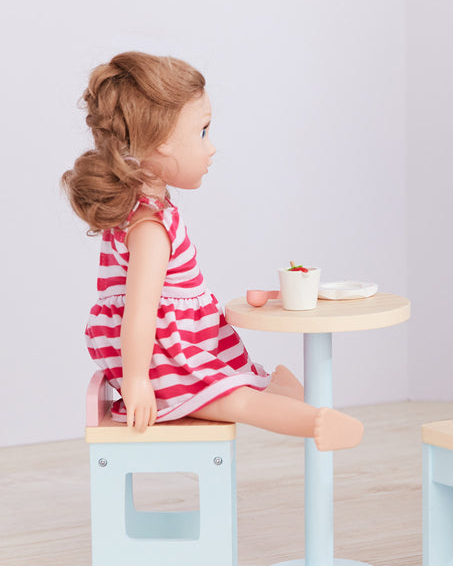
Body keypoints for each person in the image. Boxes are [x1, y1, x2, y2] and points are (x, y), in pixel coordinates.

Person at [63, 51, 363, 451]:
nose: (212, 148)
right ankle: (318, 423)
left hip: (178, 349)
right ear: (164, 142)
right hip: (165, 361)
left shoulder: (141, 211)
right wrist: (136, 382)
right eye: (203, 132)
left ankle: (277, 385)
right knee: (236, 401)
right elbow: (140, 312)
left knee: (233, 391)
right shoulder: (150, 226)